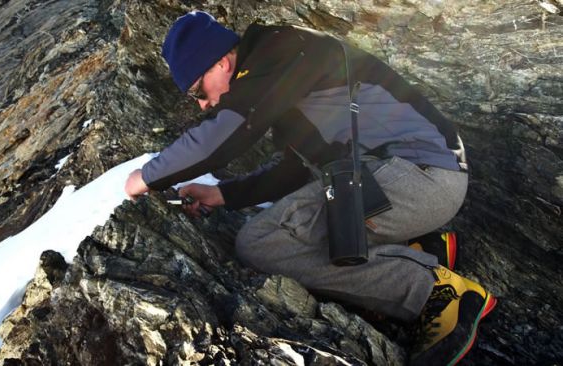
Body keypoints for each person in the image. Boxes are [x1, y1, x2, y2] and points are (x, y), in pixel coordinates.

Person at [124, 10, 496, 365]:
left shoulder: (280, 50)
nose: (204, 103)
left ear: (220, 62)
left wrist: (146, 177)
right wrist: (224, 194)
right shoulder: (281, 67)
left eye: (197, 91)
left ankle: (436, 293)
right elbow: (295, 168)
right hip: (414, 179)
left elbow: (224, 135)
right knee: (285, 229)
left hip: (421, 174)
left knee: (263, 242)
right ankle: (414, 246)